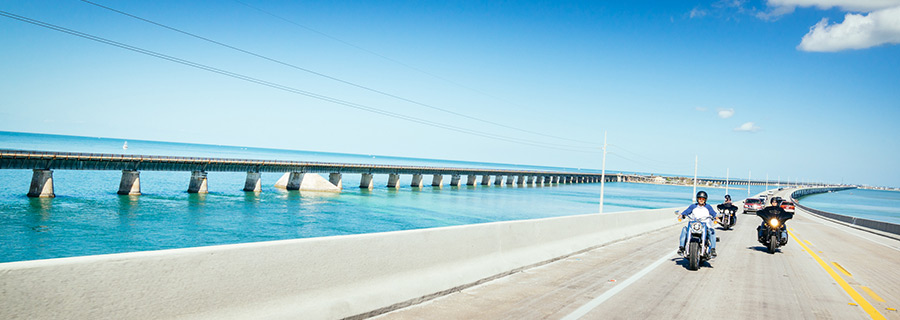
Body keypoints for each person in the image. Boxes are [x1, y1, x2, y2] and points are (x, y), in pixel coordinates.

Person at [678, 191, 718, 258]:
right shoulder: (693, 206)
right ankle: (681, 248)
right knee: (684, 230)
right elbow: (686, 211)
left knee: (712, 232)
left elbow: (713, 213)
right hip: (694, 225)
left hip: (705, 226)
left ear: (705, 200)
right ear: (697, 199)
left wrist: (716, 217)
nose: (701, 200)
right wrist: (682, 215)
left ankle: (713, 250)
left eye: (703, 199)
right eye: (700, 199)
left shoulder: (708, 207)